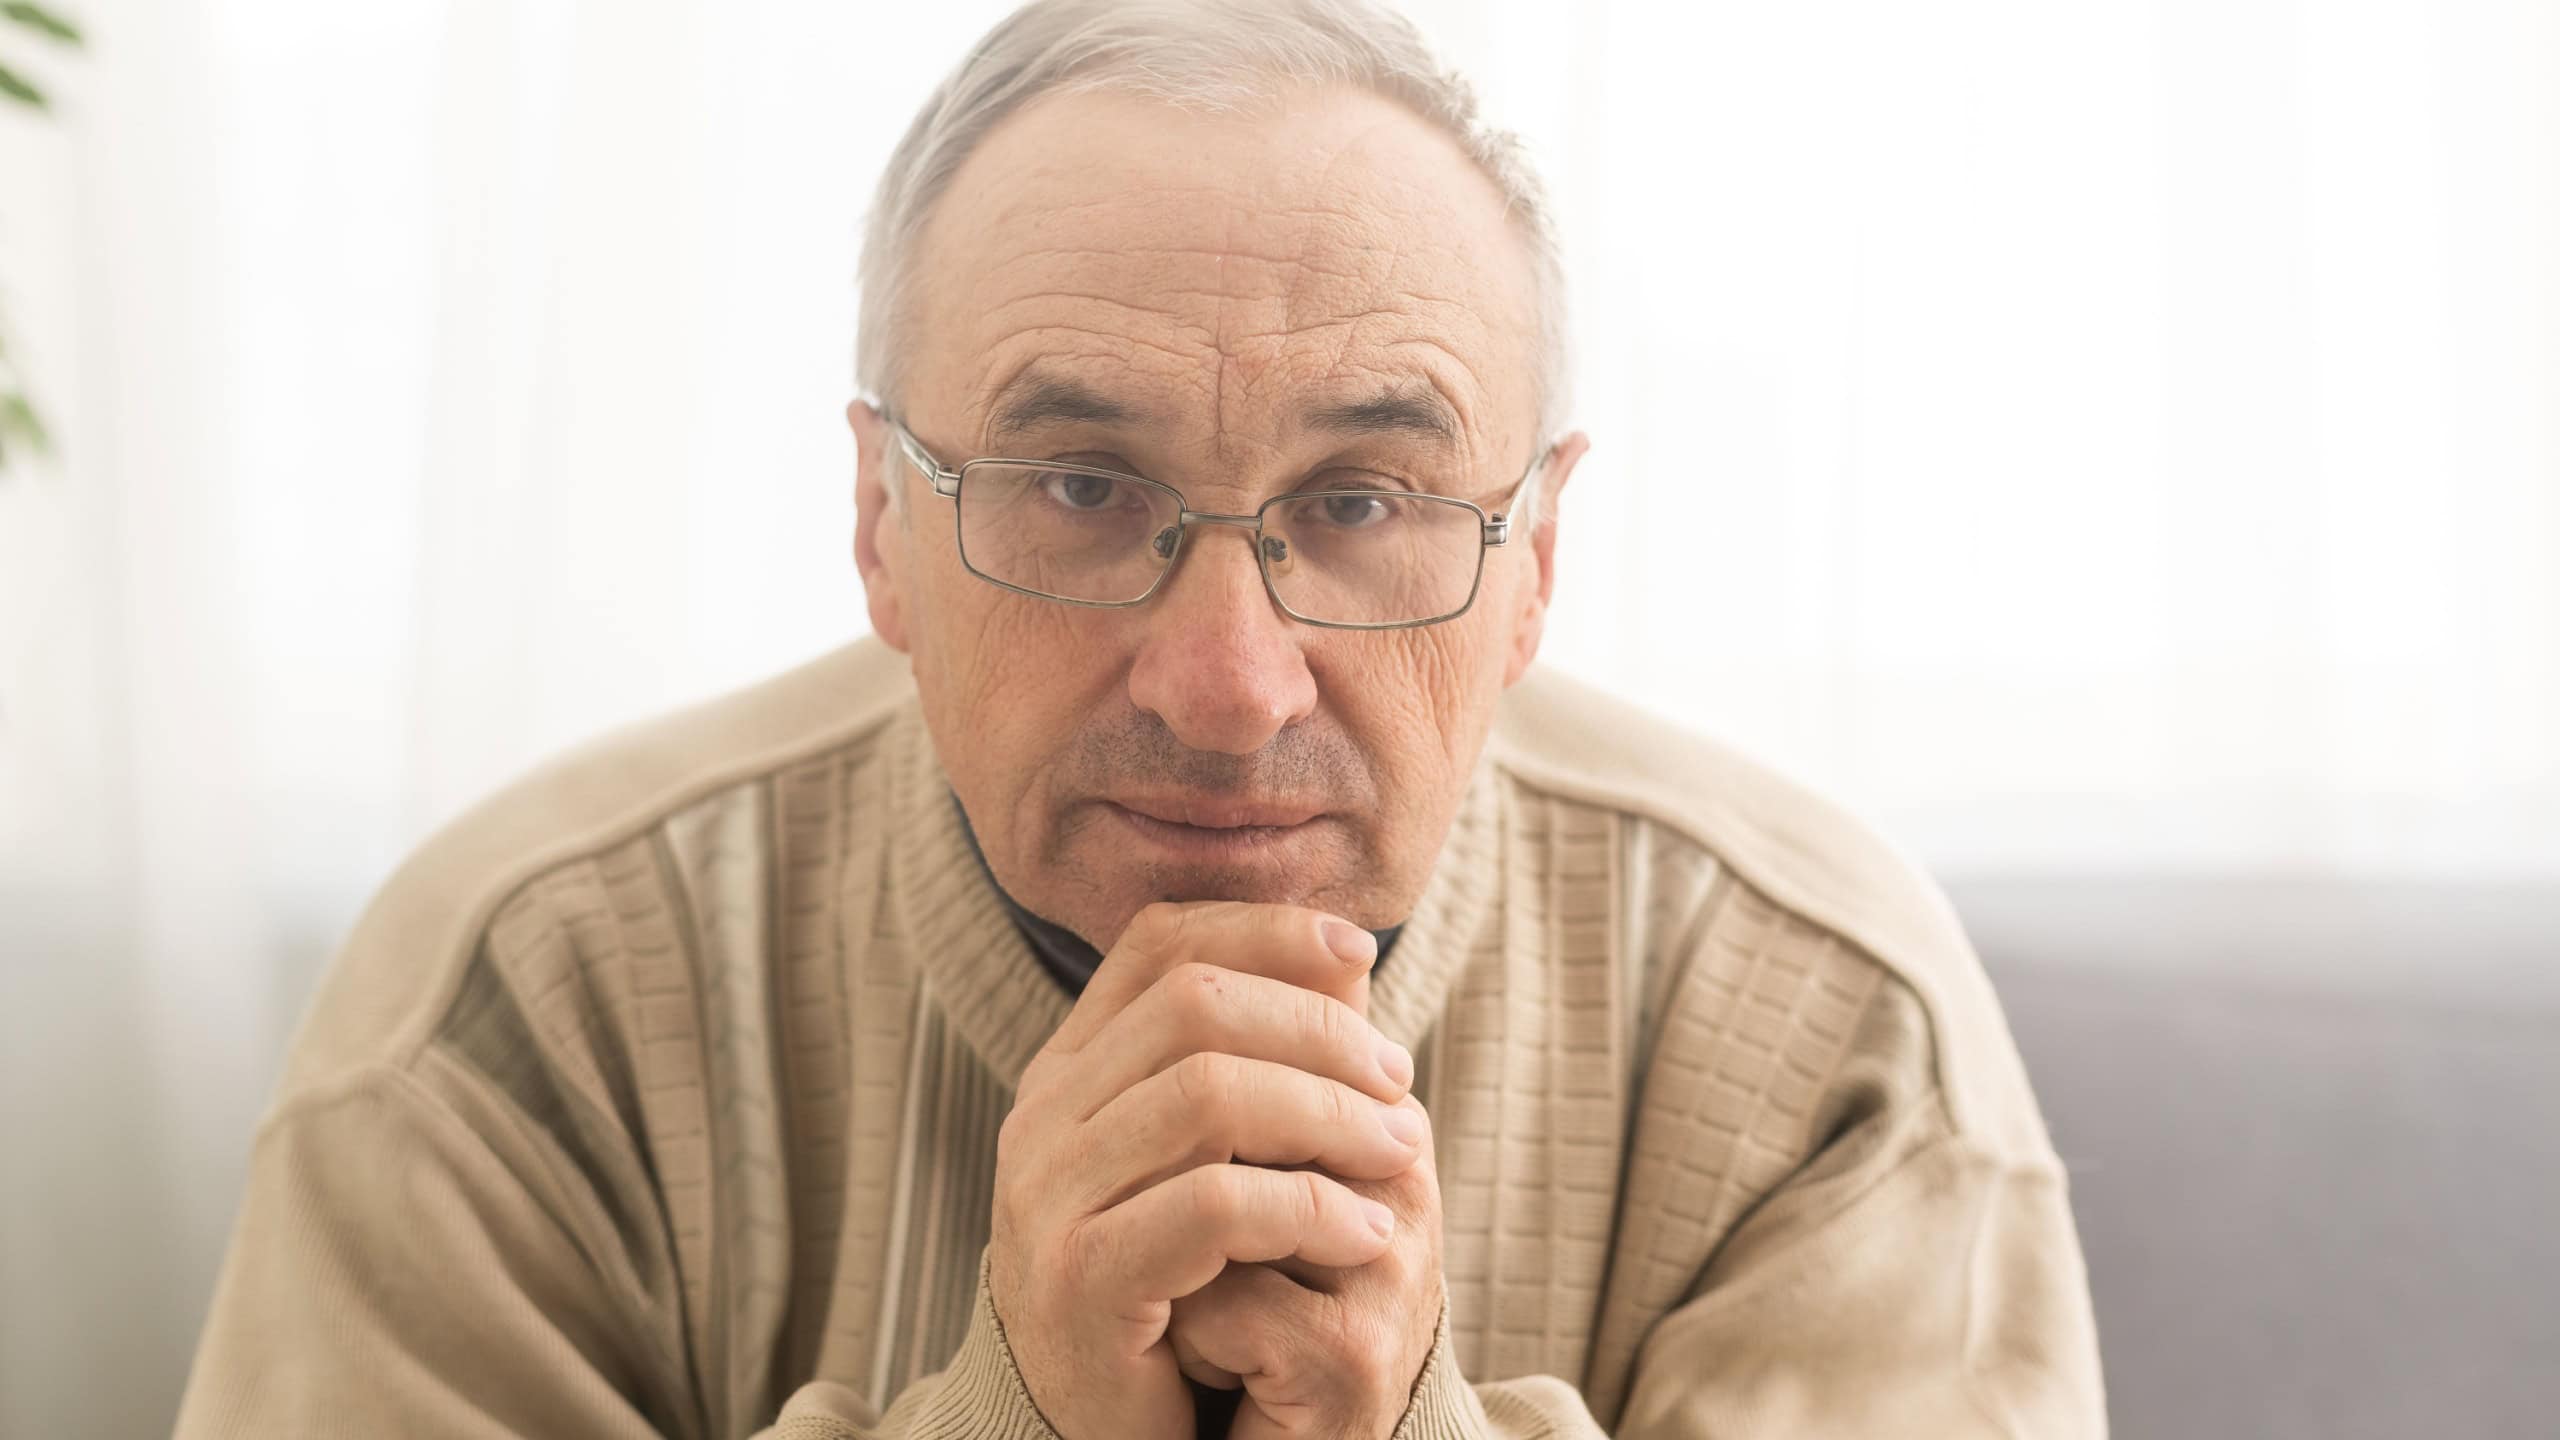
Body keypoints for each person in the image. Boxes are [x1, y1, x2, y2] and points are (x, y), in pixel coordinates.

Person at [173, 1, 2105, 1436]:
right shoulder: (517, 1010)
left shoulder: (1831, 1034)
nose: (1230, 682)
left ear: (1532, 566)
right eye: (1082, 488)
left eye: (1362, 504)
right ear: (880, 528)